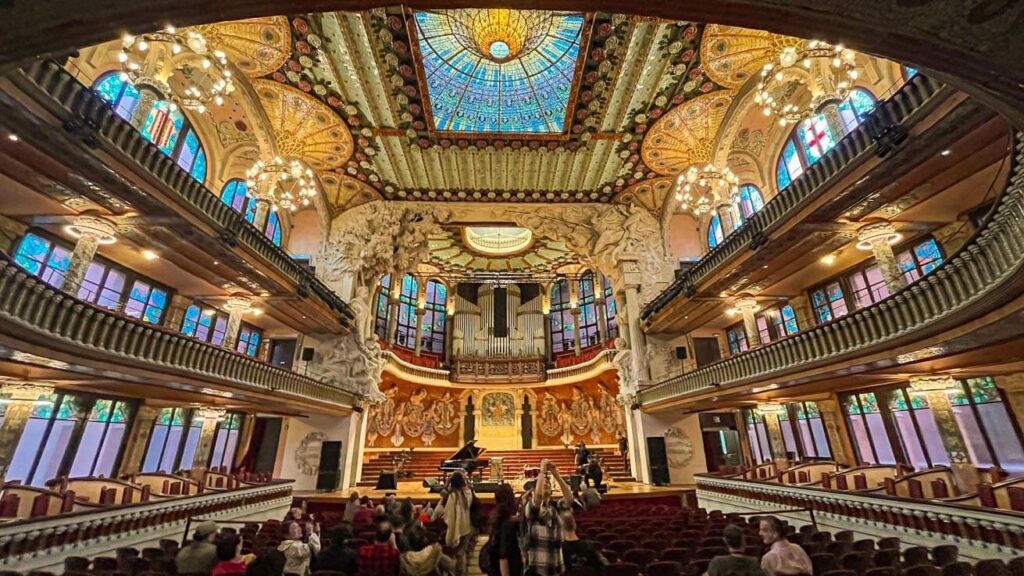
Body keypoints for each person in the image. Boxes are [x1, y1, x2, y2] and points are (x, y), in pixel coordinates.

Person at [523, 459, 573, 576]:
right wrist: (542, 471)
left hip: (556, 568)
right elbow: (539, 496)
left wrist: (556, 474)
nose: (546, 485)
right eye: (543, 484)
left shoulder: (555, 508)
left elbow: (569, 499)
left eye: (548, 484)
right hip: (537, 571)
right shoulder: (531, 508)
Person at [432, 472, 475, 576]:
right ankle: (462, 572)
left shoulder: (453, 496)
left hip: (458, 528)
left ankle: (459, 573)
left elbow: (449, 515)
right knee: (462, 553)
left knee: (457, 554)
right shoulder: (468, 492)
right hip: (467, 527)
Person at [483, 484, 522, 576]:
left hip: (495, 567)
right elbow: (503, 556)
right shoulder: (508, 523)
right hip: (506, 568)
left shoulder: (496, 516)